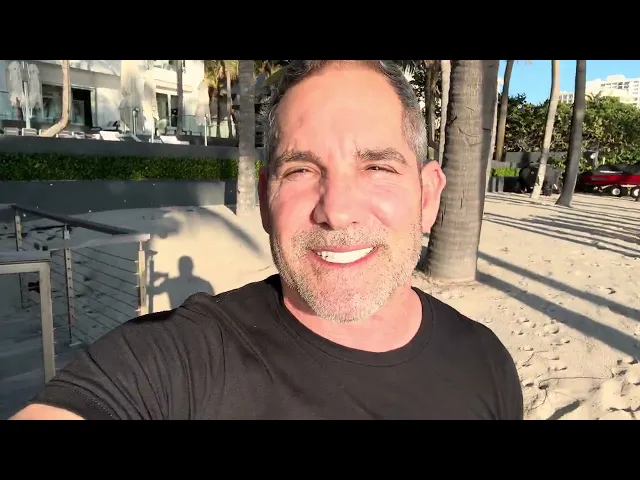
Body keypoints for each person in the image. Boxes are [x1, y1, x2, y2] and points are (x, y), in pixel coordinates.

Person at [11, 60, 523, 420]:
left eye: (376, 167)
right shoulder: (179, 359)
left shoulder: (486, 363)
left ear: (428, 196)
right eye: (301, 170)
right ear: (265, 199)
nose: (336, 210)